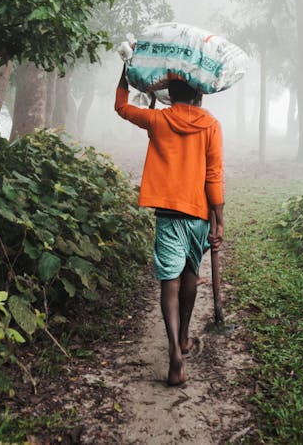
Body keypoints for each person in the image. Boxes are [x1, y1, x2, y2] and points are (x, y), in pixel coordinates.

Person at [115, 67, 225, 386]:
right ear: (197, 94)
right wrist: (219, 220)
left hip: (168, 214)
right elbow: (214, 175)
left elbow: (121, 108)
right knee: (191, 275)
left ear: (169, 94)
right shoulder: (211, 125)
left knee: (169, 283)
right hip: (199, 215)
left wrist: (124, 73)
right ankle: (187, 335)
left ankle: (175, 349)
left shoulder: (159, 121)